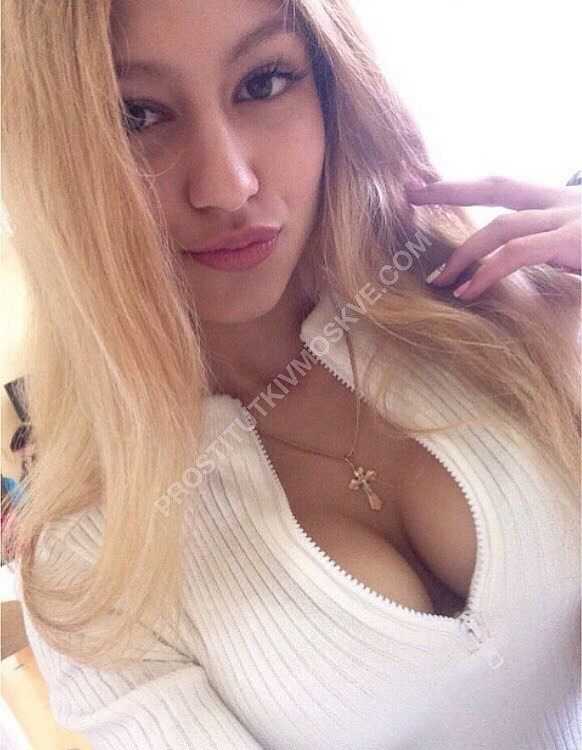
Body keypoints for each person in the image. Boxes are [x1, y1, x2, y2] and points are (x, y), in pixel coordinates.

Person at [2, 1, 580, 748]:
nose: (228, 184)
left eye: (265, 82)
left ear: (333, 86)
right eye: (135, 115)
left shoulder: (490, 306)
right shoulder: (92, 563)